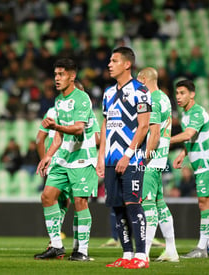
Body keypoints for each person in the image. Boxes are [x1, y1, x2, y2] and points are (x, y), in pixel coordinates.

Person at [34, 58, 99, 261]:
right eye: (55, 75)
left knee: (80, 201)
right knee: (47, 196)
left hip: (82, 159)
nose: (57, 78)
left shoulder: (82, 99)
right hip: (63, 159)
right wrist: (47, 156)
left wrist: (56, 128)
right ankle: (56, 246)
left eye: (61, 74)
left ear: (72, 76)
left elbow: (79, 128)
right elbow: (59, 137)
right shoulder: (59, 101)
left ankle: (82, 251)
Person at [97, 46, 151, 269]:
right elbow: (106, 124)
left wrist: (128, 155)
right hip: (111, 159)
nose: (109, 64)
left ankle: (142, 256)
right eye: (110, 60)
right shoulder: (108, 93)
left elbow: (144, 125)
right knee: (117, 206)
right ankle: (127, 254)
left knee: (133, 204)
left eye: (114, 60)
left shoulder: (141, 91)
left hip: (132, 158)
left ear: (127, 64)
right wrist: (100, 157)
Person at [170, 80, 209, 258]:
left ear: (192, 94)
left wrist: (164, 140)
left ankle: (202, 248)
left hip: (207, 165)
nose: (178, 97)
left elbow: (188, 134)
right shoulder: (185, 113)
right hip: (201, 165)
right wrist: (183, 153)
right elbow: (192, 138)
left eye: (182, 93)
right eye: (177, 93)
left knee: (204, 204)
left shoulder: (197, 112)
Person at [137, 67, 179, 262]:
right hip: (161, 155)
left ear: (144, 80)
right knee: (159, 203)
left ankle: (143, 254)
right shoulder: (163, 98)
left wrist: (145, 157)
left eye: (138, 82)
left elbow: (153, 133)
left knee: (147, 203)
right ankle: (171, 249)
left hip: (152, 157)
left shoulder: (152, 99)